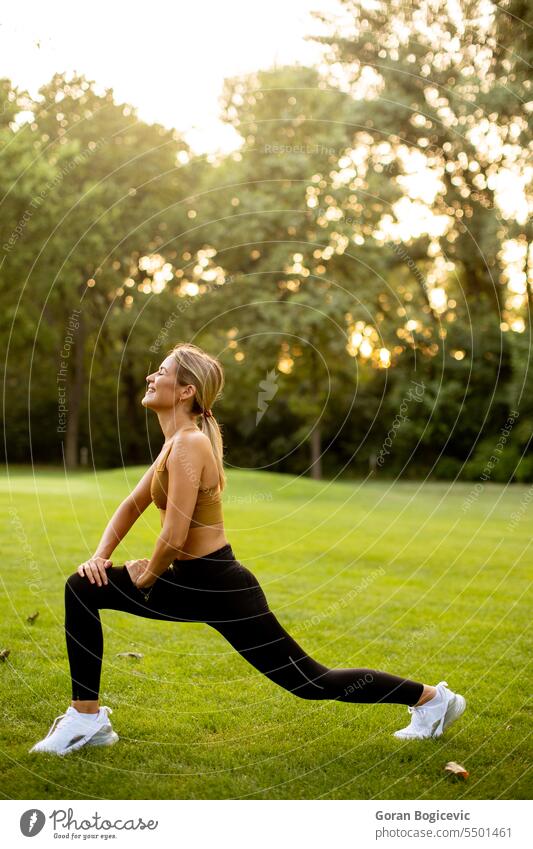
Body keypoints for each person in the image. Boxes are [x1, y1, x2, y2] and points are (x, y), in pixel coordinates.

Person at [30, 342, 466, 755]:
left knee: (309, 681)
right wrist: (101, 558)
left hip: (219, 584)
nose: (150, 376)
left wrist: (147, 575)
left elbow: (175, 534)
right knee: (83, 585)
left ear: (186, 390)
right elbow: (131, 506)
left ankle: (431, 699)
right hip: (190, 579)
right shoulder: (174, 444)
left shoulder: (190, 444)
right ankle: (87, 720)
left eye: (160, 372)